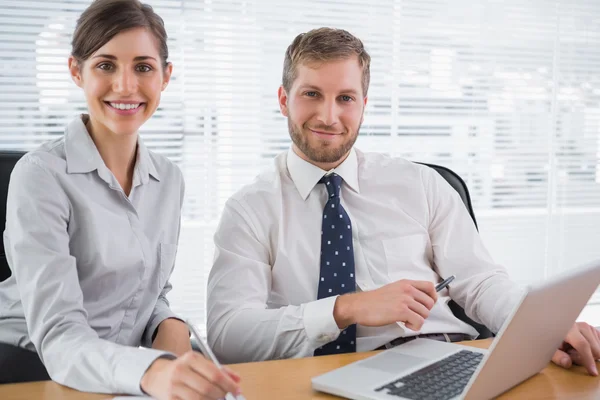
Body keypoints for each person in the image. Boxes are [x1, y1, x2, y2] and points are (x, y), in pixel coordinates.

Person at [207, 27, 600, 376]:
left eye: (346, 97)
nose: (329, 116)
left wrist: (544, 327)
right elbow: (229, 335)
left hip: (446, 358)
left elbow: (480, 282)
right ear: (283, 99)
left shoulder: (419, 183)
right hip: (323, 374)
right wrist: (346, 309)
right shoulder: (249, 210)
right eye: (312, 94)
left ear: (364, 104)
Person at [0, 1, 242, 399]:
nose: (126, 86)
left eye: (143, 67)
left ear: (166, 76)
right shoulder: (40, 175)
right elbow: (59, 336)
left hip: (120, 369)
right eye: (106, 65)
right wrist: (150, 372)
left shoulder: (169, 180)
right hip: (32, 365)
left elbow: (147, 291)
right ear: (77, 71)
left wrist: (170, 323)